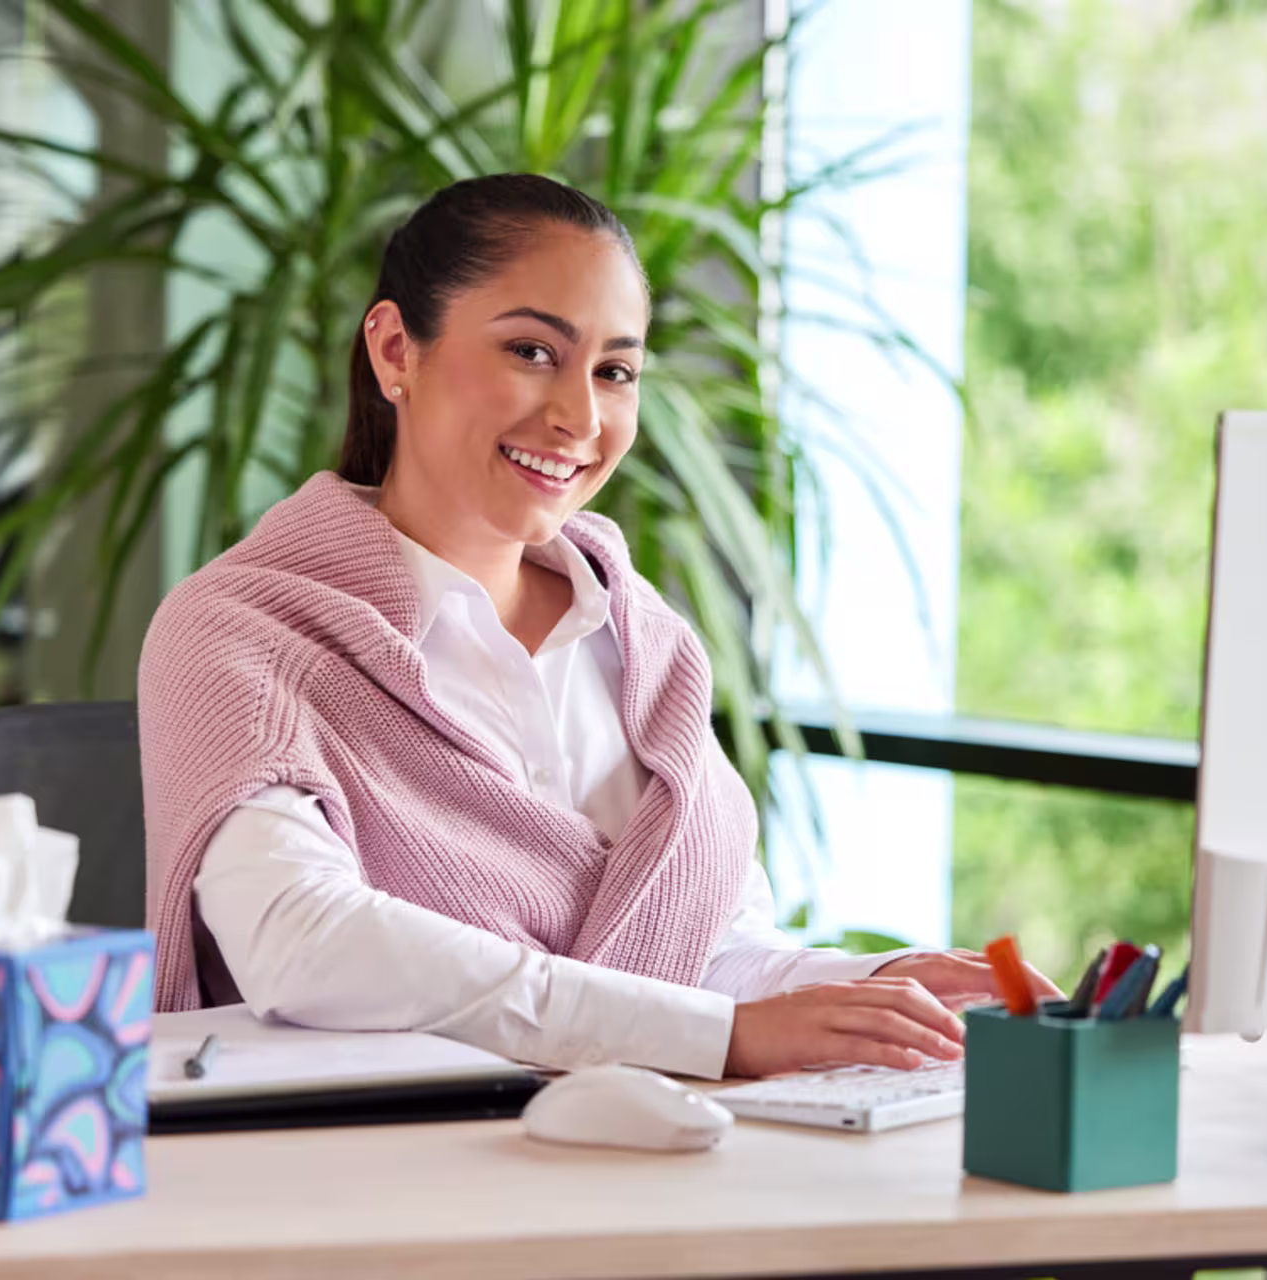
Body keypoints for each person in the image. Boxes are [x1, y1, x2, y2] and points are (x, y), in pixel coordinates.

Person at [139, 173, 1060, 1080]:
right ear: (394, 352)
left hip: (630, 1159)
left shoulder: (645, 645)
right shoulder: (237, 635)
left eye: (614, 371)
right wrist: (722, 1039)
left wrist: (884, 995)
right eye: (532, 352)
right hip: (376, 1178)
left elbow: (704, 959)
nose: (580, 416)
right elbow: (302, 941)